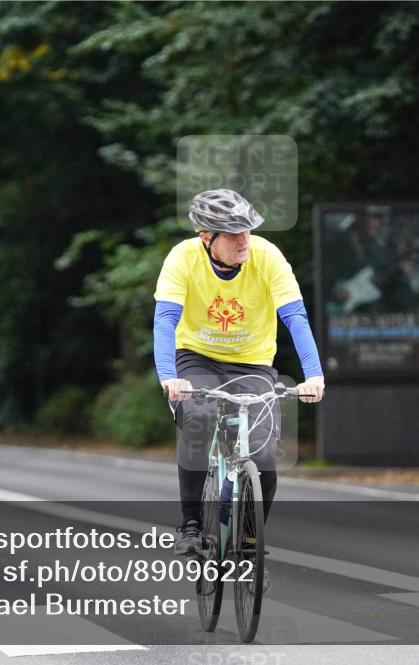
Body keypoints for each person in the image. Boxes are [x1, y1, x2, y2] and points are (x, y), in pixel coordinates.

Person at [153, 189, 325, 590]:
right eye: (232, 235)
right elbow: (165, 320)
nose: (244, 240)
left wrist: (313, 374)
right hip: (196, 359)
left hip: (252, 364)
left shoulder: (267, 257)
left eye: (247, 231)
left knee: (263, 457)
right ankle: (192, 523)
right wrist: (169, 377)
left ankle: (248, 543)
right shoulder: (182, 258)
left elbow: (295, 316)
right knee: (199, 419)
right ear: (206, 237)